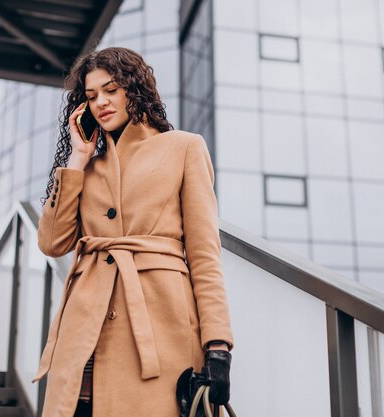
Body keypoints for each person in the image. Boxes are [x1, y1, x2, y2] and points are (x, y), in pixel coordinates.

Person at [32, 47, 234, 417]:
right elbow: (52, 242)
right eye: (91, 96)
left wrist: (217, 346)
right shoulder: (86, 169)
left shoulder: (184, 147)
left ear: (134, 88)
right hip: (84, 329)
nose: (101, 103)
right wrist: (76, 159)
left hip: (159, 328)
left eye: (111, 90)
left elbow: (205, 255)